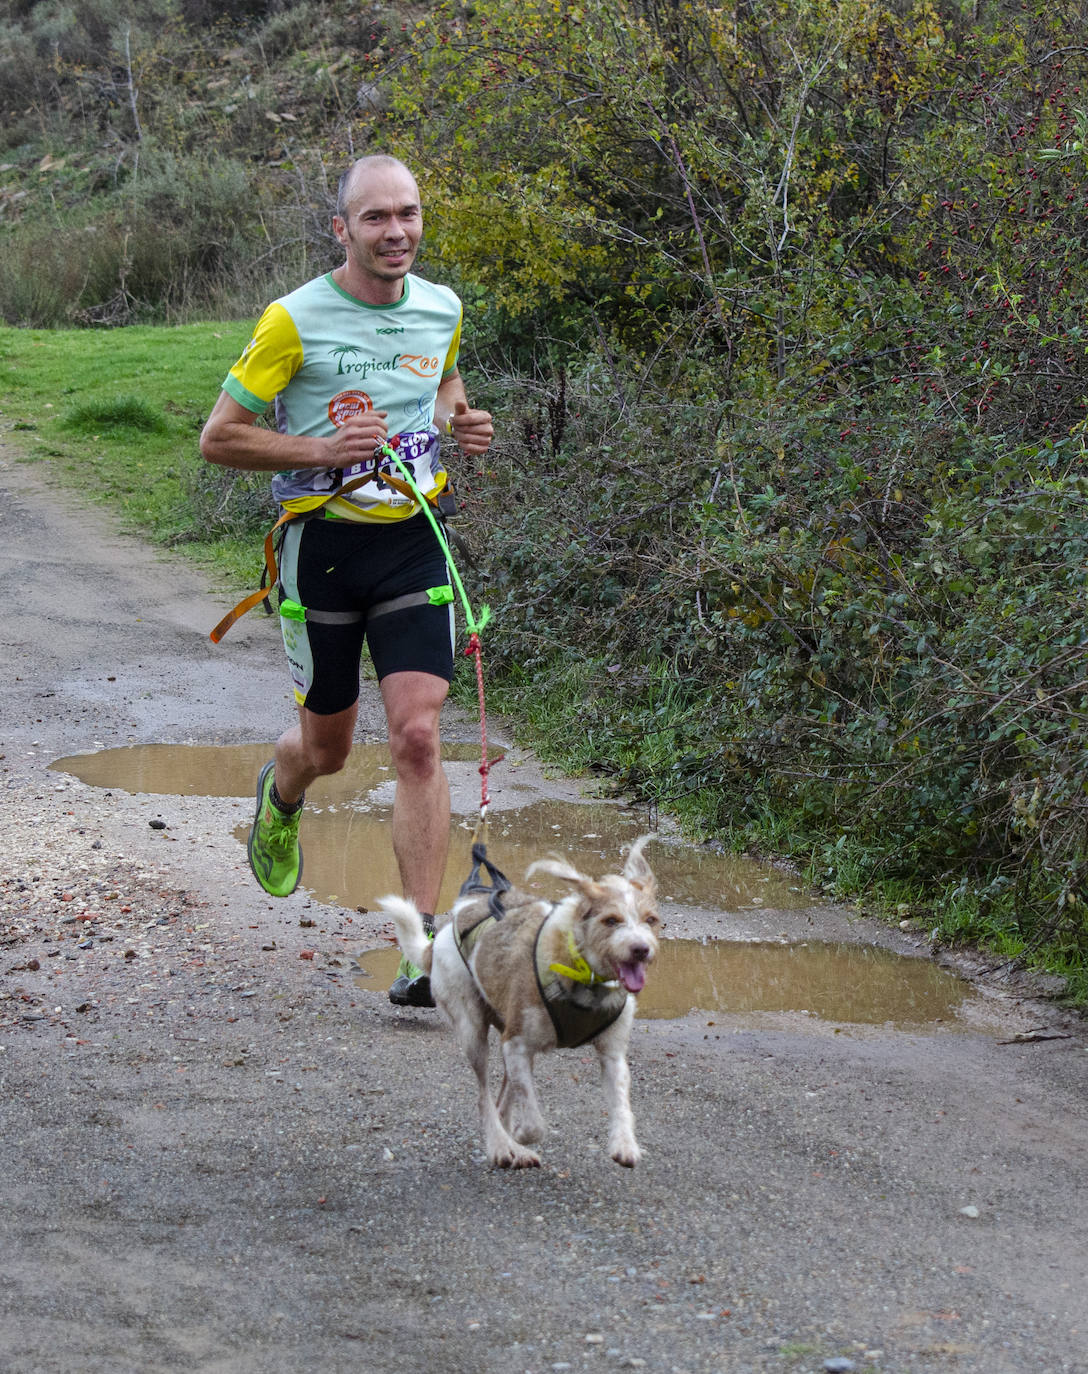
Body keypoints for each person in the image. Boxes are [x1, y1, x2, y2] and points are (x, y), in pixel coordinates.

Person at [200, 154, 494, 1007]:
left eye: (408, 214)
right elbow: (220, 437)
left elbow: (440, 382)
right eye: (376, 218)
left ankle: (420, 948)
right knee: (326, 749)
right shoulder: (293, 319)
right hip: (320, 550)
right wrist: (318, 451)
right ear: (343, 229)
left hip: (412, 543)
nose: (396, 232)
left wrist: (459, 424)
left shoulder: (442, 307)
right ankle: (281, 790)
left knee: (417, 738)